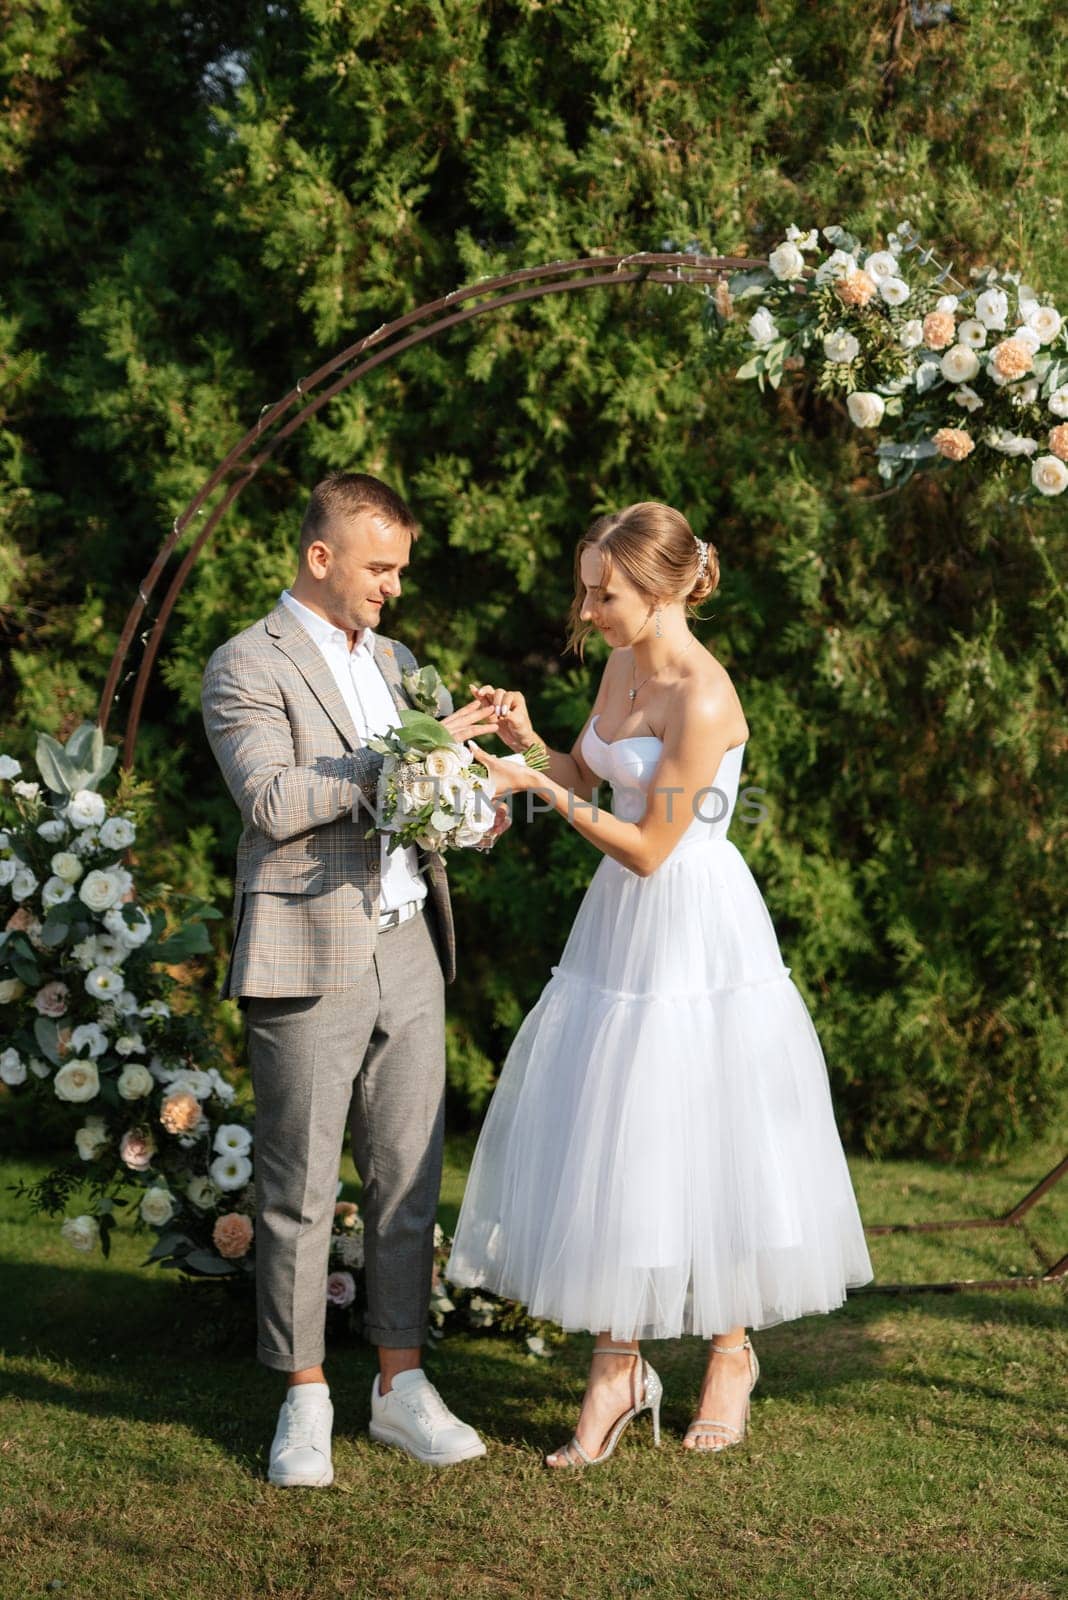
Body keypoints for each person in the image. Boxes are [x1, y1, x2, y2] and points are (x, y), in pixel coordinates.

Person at [447, 500, 874, 1467]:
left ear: (662, 588)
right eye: (588, 589)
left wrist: (540, 791)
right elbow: (590, 780)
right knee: (615, 1126)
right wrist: (529, 745)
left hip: (692, 925)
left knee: (706, 1127)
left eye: (606, 592)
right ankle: (617, 1367)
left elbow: (648, 845)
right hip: (620, 934)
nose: (589, 608)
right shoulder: (619, 662)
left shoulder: (705, 697)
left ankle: (731, 1354)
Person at [201, 471, 502, 1485]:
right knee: (297, 1192)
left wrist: (472, 791)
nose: (394, 589)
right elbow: (273, 798)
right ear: (319, 557)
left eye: (401, 569)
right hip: (306, 953)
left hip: (411, 944)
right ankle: (304, 1399)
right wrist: (402, 757)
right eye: (379, 568)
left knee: (408, 1184)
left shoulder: (400, 659)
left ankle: (400, 1387)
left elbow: (425, 794)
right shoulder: (245, 661)